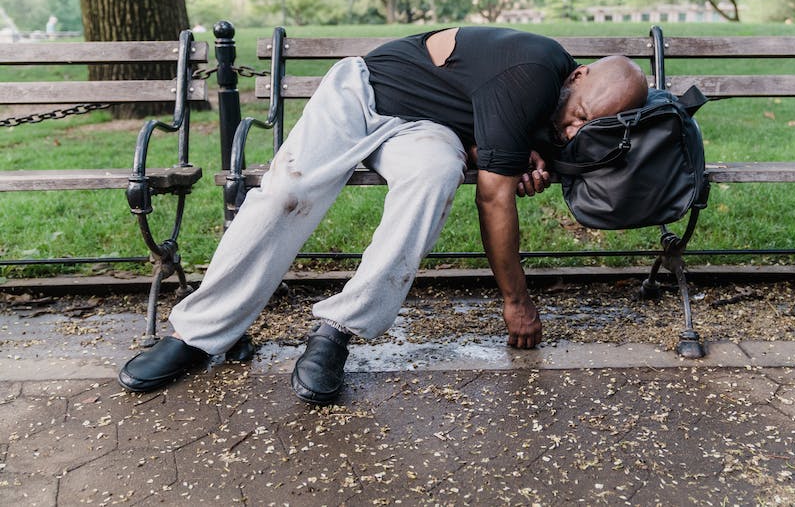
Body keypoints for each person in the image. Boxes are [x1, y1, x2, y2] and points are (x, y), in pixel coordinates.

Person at [117, 26, 649, 404]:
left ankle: (336, 331)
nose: (574, 132)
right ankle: (195, 335)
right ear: (577, 74)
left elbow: (498, 138)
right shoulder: (533, 72)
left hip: (426, 131)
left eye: (590, 128)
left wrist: (525, 153)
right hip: (364, 94)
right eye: (580, 116)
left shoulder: (555, 100)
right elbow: (495, 195)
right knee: (287, 191)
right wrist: (517, 302)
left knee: (434, 178)